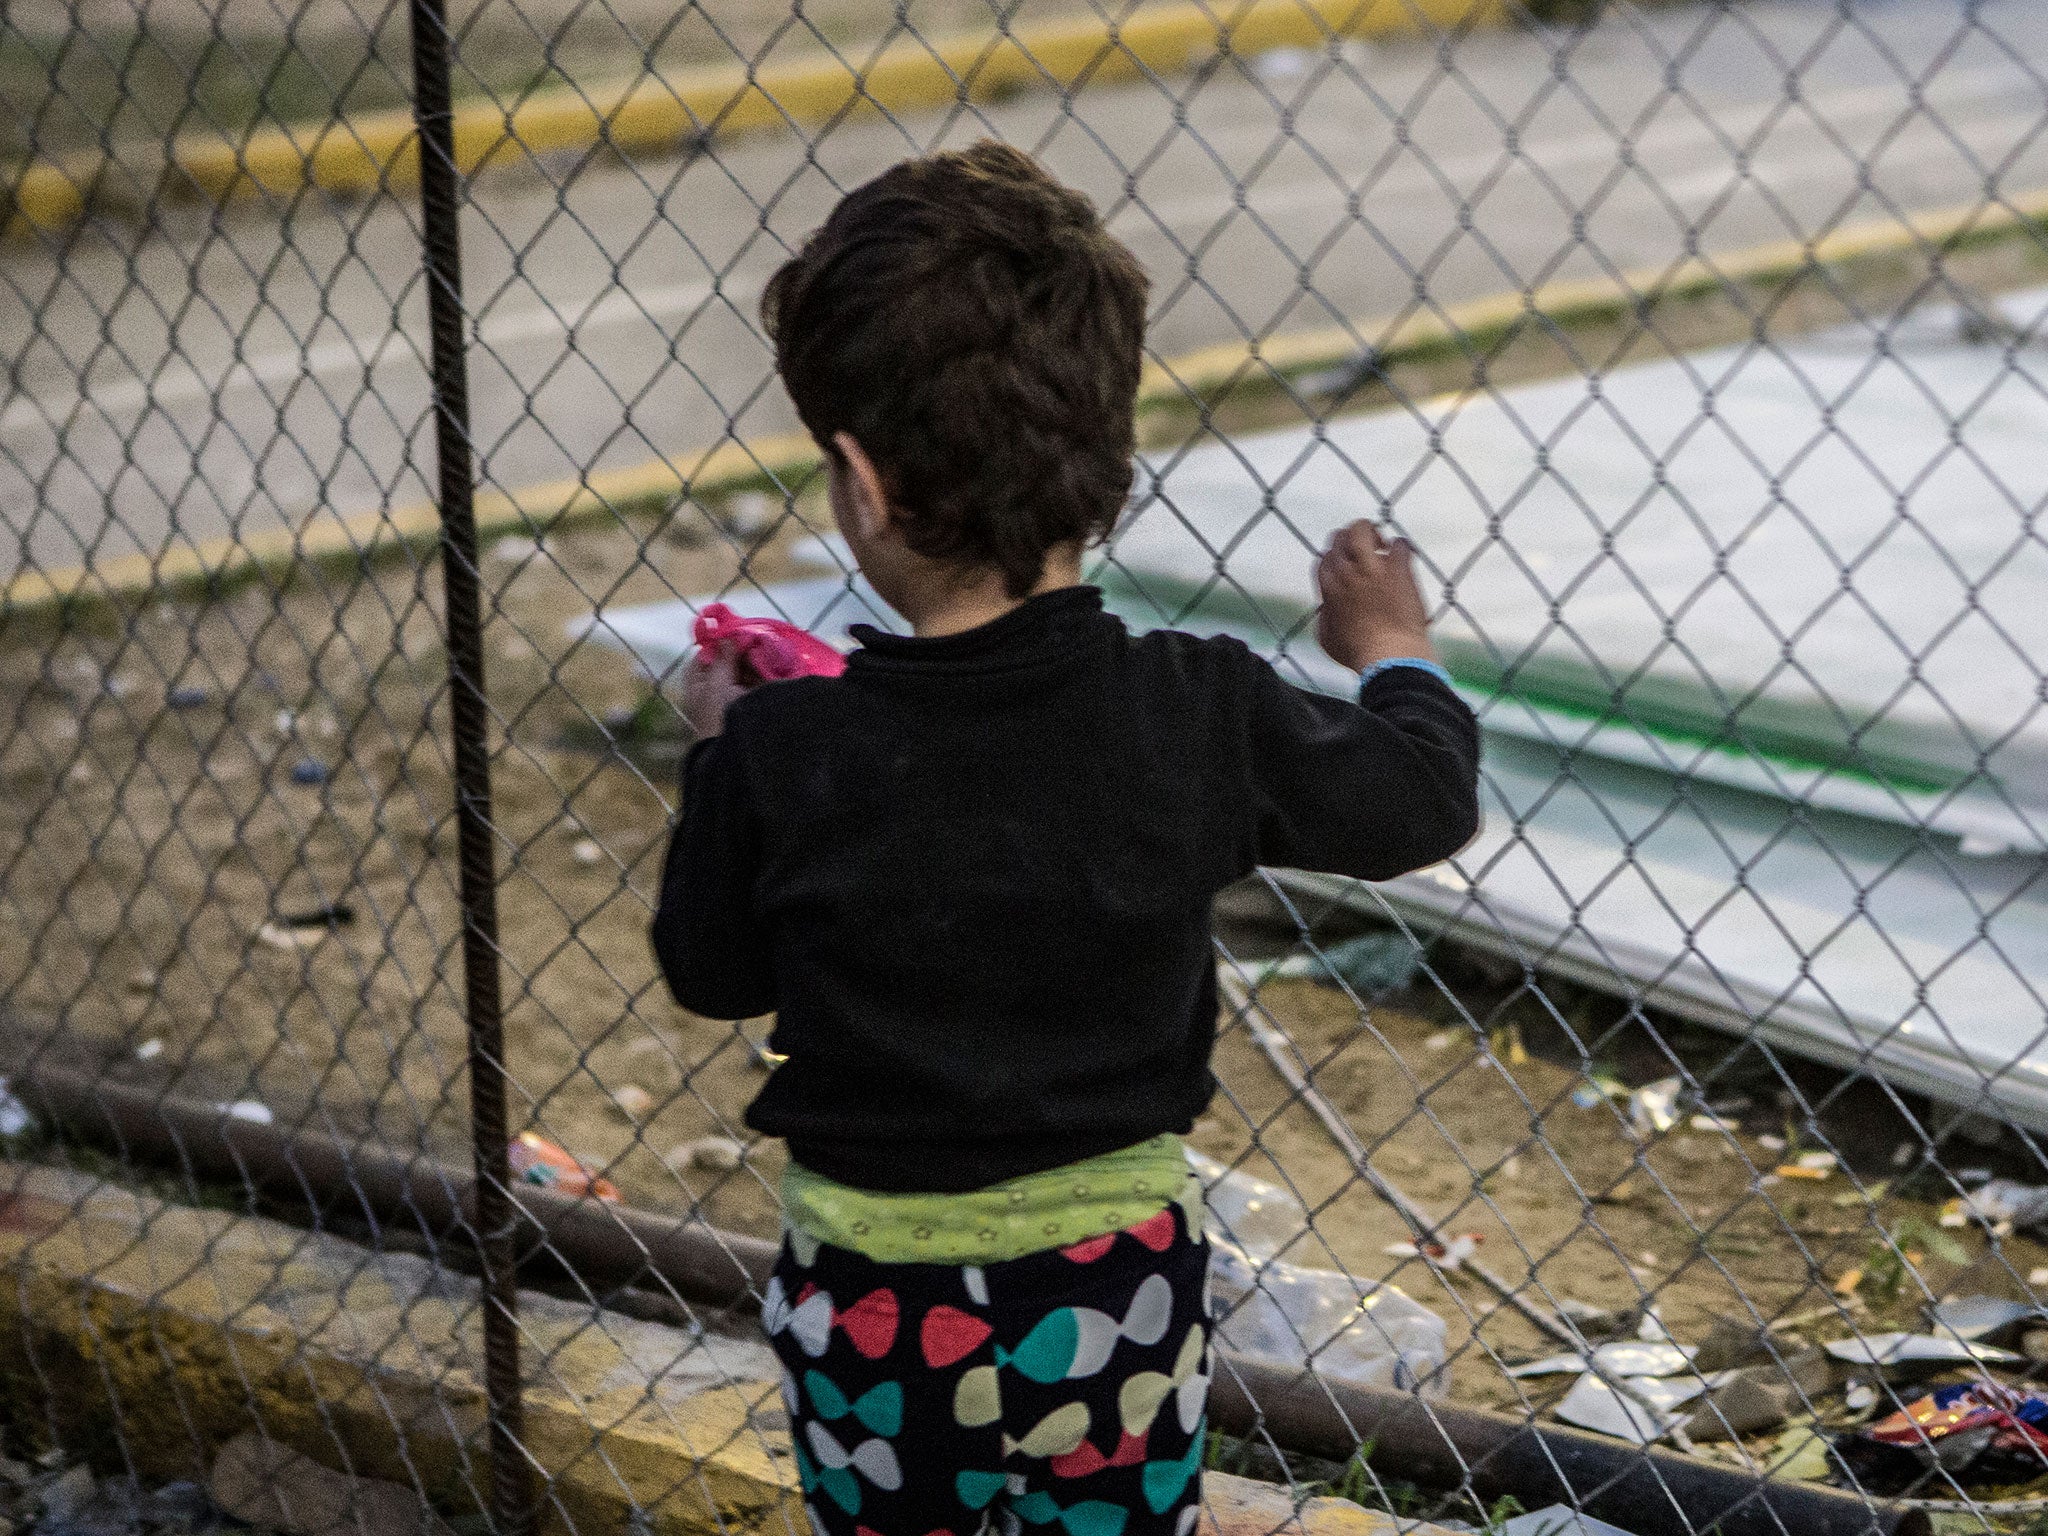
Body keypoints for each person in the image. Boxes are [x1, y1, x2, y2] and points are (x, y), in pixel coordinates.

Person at [651, 142, 1480, 1536]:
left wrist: (721, 757)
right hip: (1105, 1291)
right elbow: (1419, 801)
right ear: (1105, 453)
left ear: (858, 482)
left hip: (864, 1301)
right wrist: (1392, 651)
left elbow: (713, 967)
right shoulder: (1191, 707)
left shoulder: (792, 750)